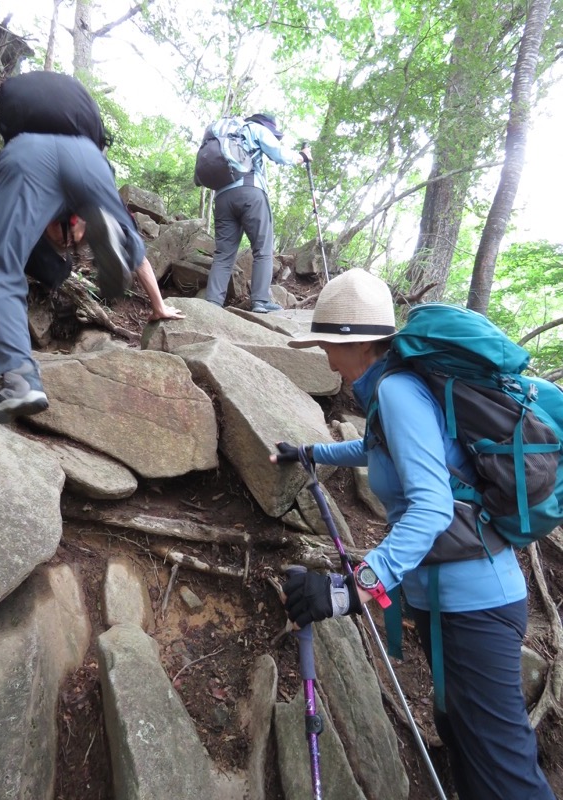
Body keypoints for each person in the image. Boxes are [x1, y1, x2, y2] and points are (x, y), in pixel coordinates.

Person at [270, 268, 556, 800]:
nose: (324, 356)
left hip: (473, 605)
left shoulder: (399, 391)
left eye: (327, 344)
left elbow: (430, 507)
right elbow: (381, 451)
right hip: (450, 602)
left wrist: (350, 590)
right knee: (464, 743)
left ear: (353, 345)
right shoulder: (393, 391)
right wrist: (310, 453)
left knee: (505, 772)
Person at [0, 131, 146, 423]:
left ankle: (19, 378)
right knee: (107, 232)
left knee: (2, 267)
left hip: (28, 158)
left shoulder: (21, 151)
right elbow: (142, 263)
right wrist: (159, 305)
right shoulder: (86, 147)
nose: (67, 245)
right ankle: (116, 232)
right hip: (92, 161)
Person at [205, 113, 312, 314]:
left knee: (223, 255)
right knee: (263, 249)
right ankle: (260, 302)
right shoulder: (254, 128)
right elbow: (280, 154)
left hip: (222, 197)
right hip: (250, 192)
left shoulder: (227, 132)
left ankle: (212, 304)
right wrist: (303, 156)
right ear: (266, 126)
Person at [30, 215, 185, 322]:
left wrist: (159, 307)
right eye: (65, 235)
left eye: (72, 236)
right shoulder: (36, 207)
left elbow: (141, 261)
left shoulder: (112, 219)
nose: (69, 241)